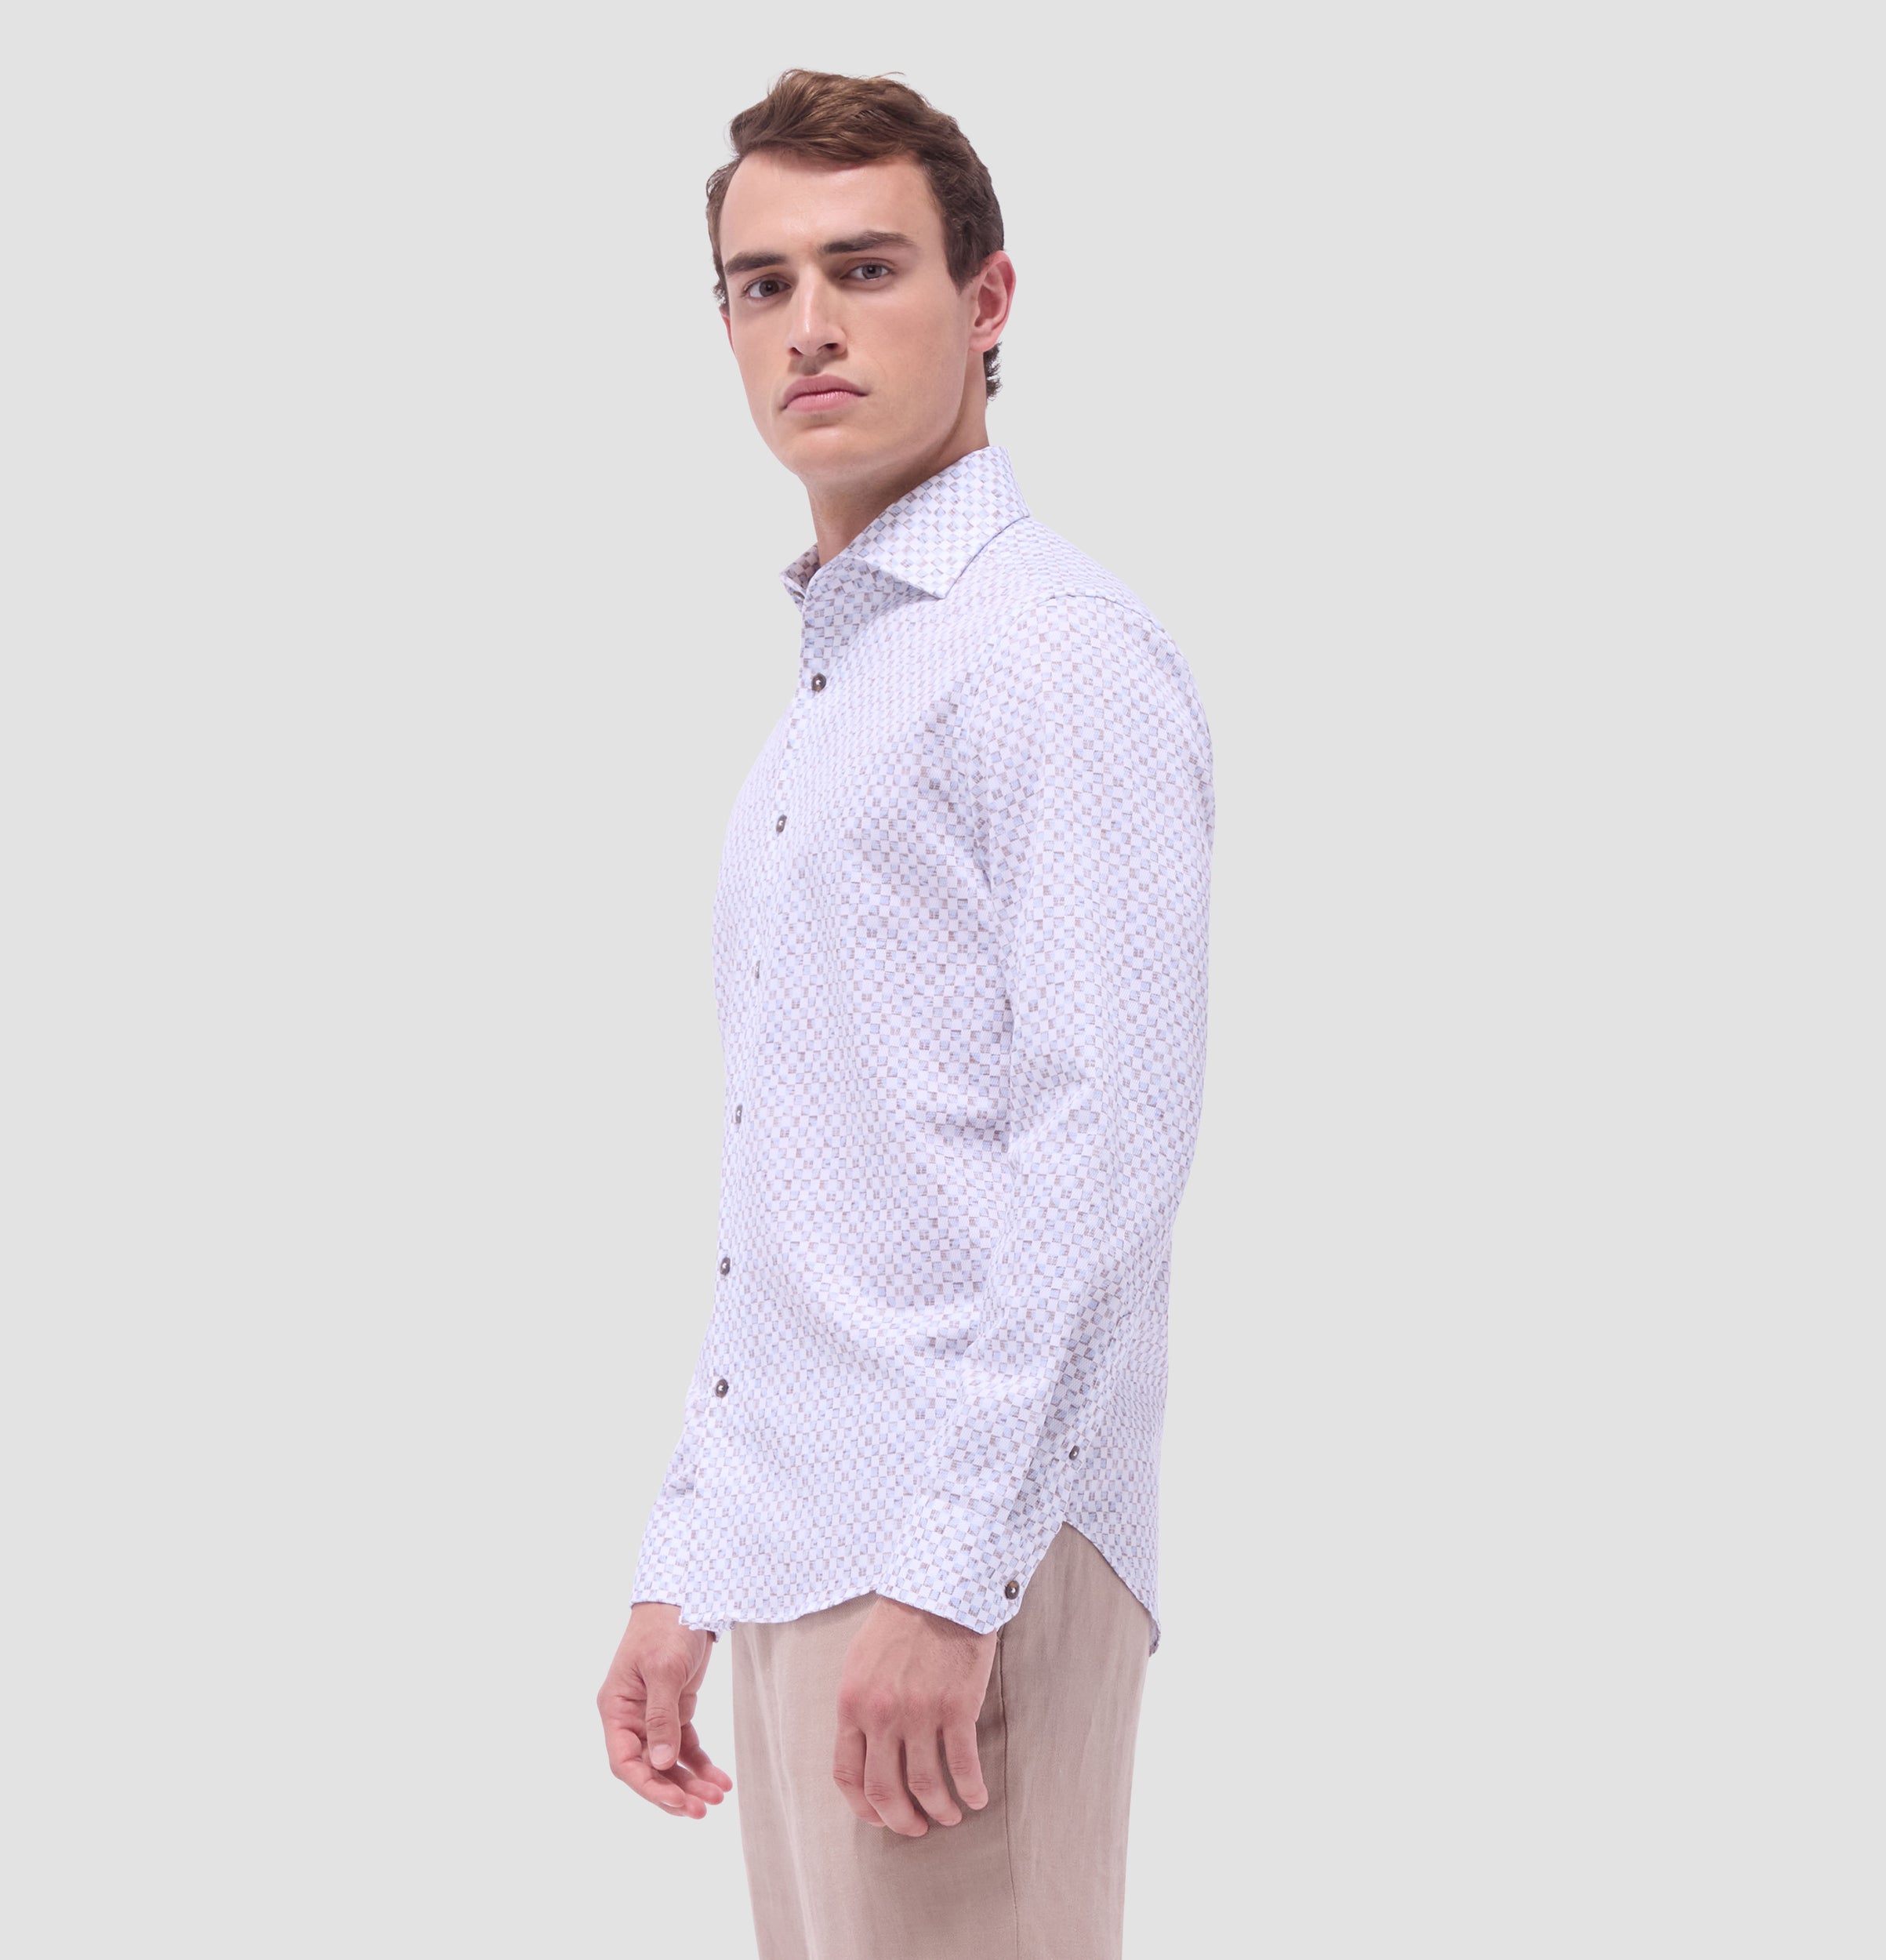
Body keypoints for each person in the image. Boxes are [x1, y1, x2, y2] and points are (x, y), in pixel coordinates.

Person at [594, 70, 1214, 1960]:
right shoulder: (842, 692)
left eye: (863, 269)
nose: (808, 325)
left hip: (958, 1556)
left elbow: (1102, 1147)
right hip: (810, 1548)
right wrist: (689, 1554)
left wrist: (950, 1579)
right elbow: (800, 1181)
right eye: (760, 283)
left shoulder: (1048, 654)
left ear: (987, 297)